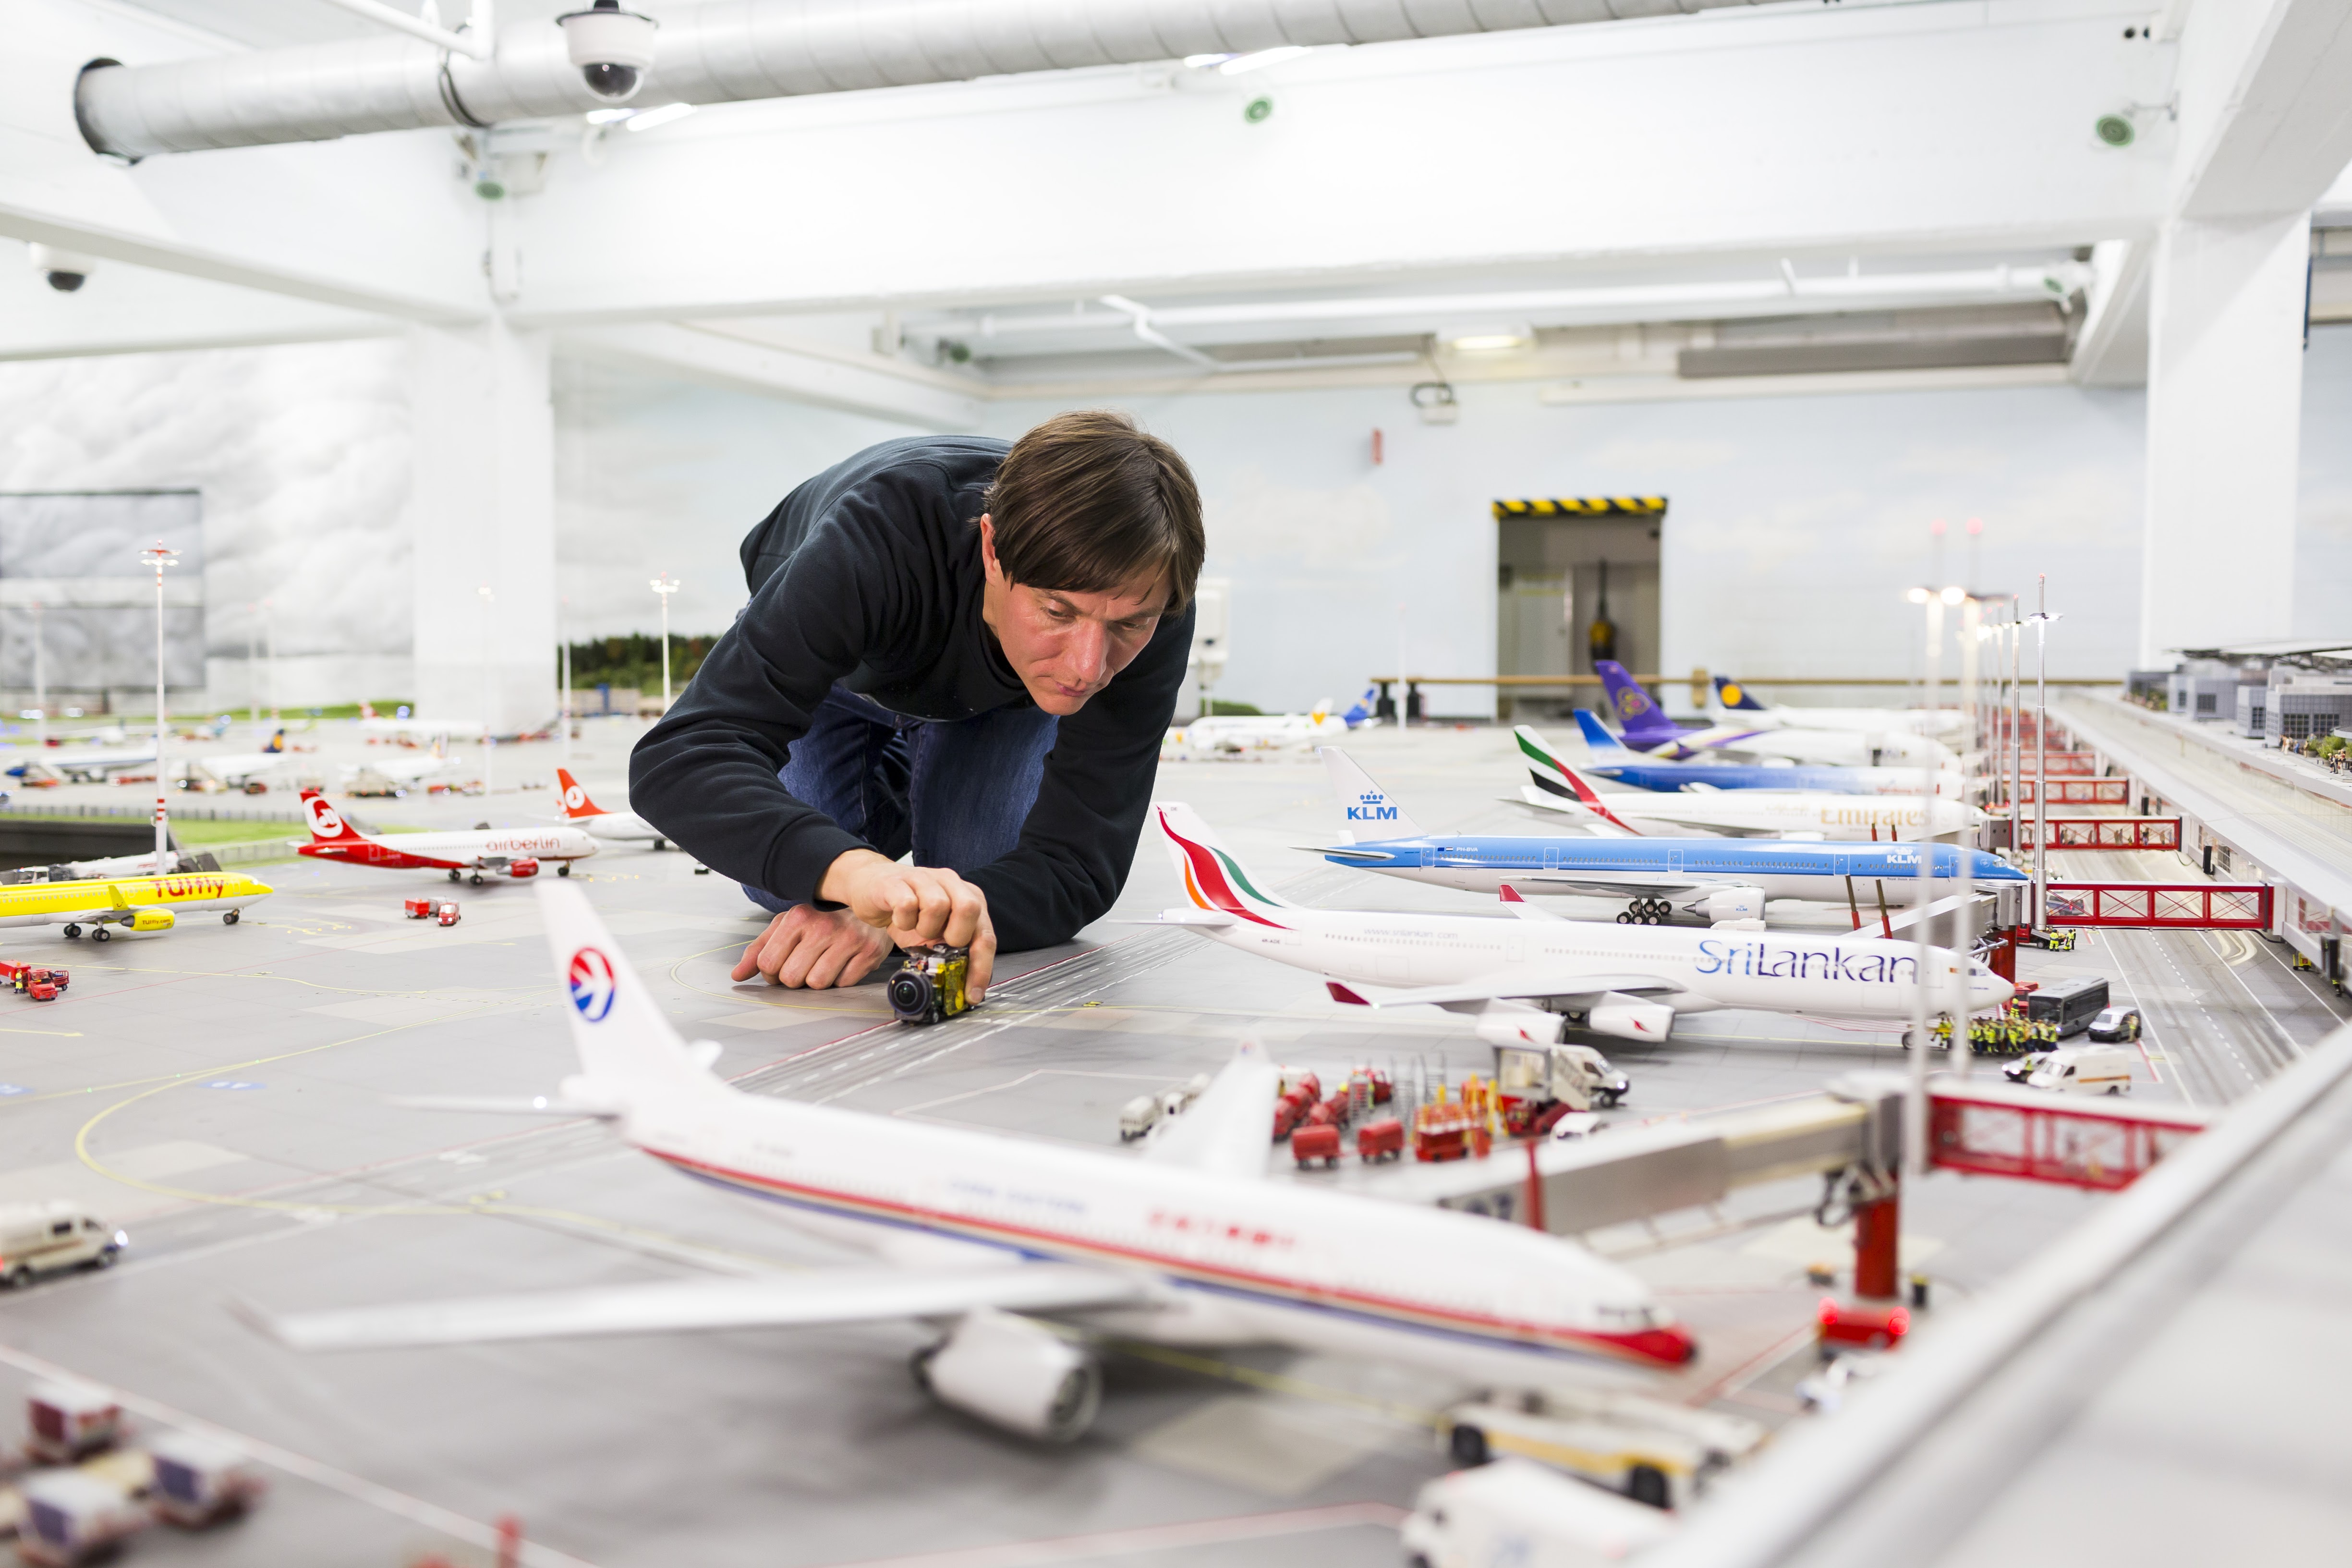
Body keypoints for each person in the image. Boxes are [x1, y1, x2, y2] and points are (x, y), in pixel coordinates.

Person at [629, 411, 1202, 1003]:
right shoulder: (874, 539)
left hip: (1002, 695)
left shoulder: (1156, 594)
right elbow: (678, 759)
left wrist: (894, 918)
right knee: (785, 885)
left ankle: (926, 768)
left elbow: (1079, 866)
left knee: (971, 876)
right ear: (991, 548)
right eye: (1057, 612)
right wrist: (860, 876)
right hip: (842, 668)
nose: (1088, 667)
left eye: (1129, 624)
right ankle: (908, 767)